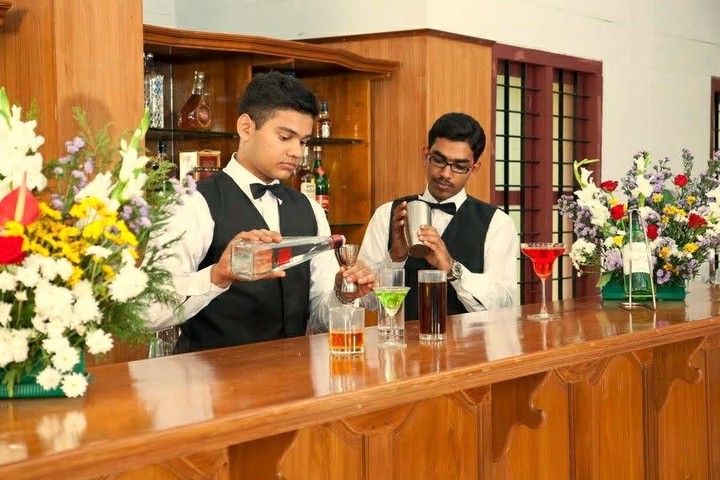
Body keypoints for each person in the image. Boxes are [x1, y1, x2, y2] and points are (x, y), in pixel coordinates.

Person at [148, 72, 375, 352]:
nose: (297, 152)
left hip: (295, 374)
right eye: (285, 137)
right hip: (212, 376)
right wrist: (217, 276)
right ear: (246, 127)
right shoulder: (191, 203)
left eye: (303, 141)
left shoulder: (311, 210)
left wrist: (342, 294)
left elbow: (319, 320)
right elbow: (148, 311)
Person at [358, 112, 517, 320]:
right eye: (438, 160)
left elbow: (503, 303)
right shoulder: (386, 214)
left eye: (459, 166)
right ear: (426, 155)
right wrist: (394, 258)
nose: (445, 174)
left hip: (469, 341)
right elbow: (365, 300)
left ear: (474, 168)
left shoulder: (498, 223)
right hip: (399, 339)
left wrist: (452, 269)